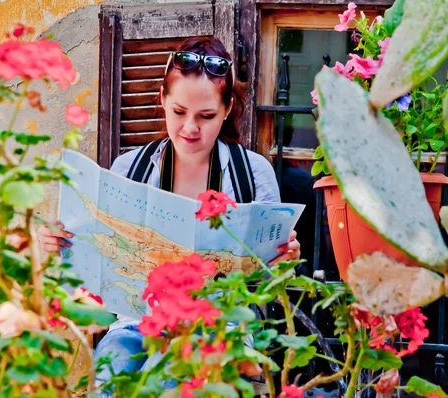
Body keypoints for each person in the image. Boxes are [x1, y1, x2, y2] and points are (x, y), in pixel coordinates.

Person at [38, 37, 300, 391]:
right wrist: (60, 244)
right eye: (179, 112)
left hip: (218, 330)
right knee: (109, 376)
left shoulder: (251, 173)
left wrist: (284, 258)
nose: (190, 128)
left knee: (170, 371)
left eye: (206, 116)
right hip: (135, 323)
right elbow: (95, 263)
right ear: (162, 100)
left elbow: (267, 280)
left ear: (226, 111)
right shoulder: (130, 167)